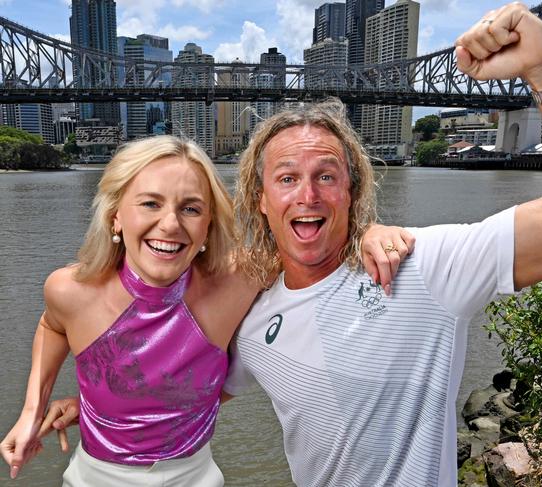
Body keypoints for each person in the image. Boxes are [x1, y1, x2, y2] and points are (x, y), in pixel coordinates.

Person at [36, 2, 542, 486]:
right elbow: (177, 390)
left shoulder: (427, 265)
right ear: (259, 200)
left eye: (327, 176)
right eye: (287, 179)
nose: (308, 195)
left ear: (353, 192)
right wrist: (88, 408)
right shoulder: (247, 315)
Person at [0, 135, 411, 485]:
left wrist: (371, 233)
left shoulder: (240, 278)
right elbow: (52, 327)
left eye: (190, 208)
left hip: (194, 476)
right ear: (115, 216)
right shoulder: (71, 289)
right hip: (94, 475)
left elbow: (318, 247)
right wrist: (32, 412)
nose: (170, 224)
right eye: (150, 204)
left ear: (207, 227)